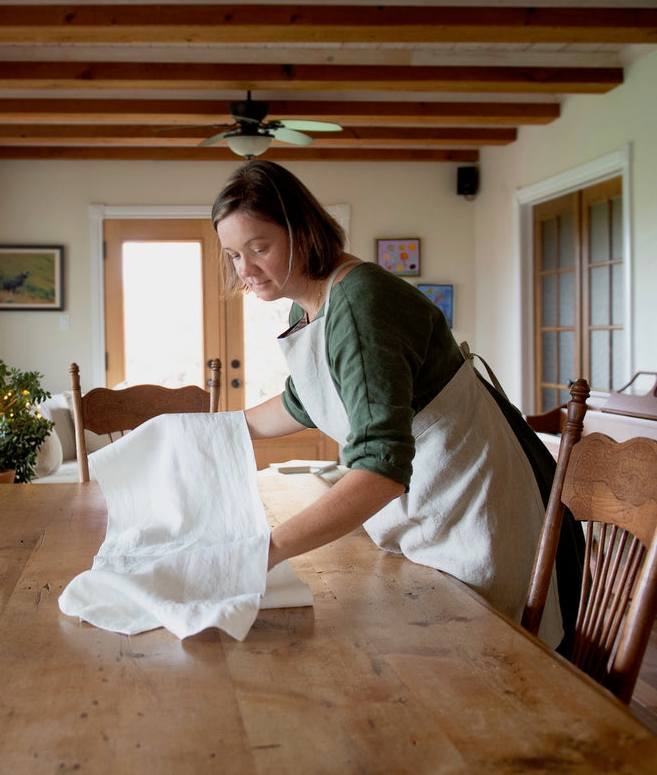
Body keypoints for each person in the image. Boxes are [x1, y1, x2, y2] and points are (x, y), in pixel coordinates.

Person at [211, 159, 583, 654]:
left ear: (303, 231)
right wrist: (209, 432)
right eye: (234, 255)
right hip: (442, 514)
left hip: (481, 516)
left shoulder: (360, 303)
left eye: (259, 248)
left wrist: (266, 550)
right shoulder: (312, 305)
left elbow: (381, 470)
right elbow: (303, 401)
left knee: (492, 670)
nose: (245, 270)